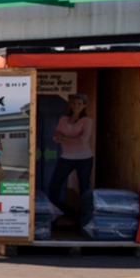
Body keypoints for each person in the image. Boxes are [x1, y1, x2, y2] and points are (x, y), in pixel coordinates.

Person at [49, 93, 95, 227]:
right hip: (67, 157)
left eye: (79, 104)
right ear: (70, 105)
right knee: (54, 186)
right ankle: (54, 216)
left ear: (84, 106)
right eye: (74, 103)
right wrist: (61, 137)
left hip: (84, 158)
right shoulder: (64, 119)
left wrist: (63, 139)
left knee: (84, 188)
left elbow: (82, 140)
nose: (76, 106)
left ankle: (85, 219)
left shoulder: (87, 120)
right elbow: (56, 134)